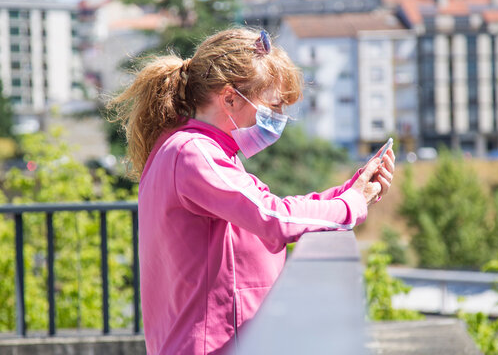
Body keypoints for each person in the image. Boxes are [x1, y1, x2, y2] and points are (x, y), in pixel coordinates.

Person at [108, 27, 395, 355]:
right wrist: (350, 205)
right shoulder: (194, 153)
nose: (278, 119)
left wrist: (352, 191)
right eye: (272, 107)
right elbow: (272, 218)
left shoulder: (197, 150)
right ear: (229, 97)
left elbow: (271, 211)